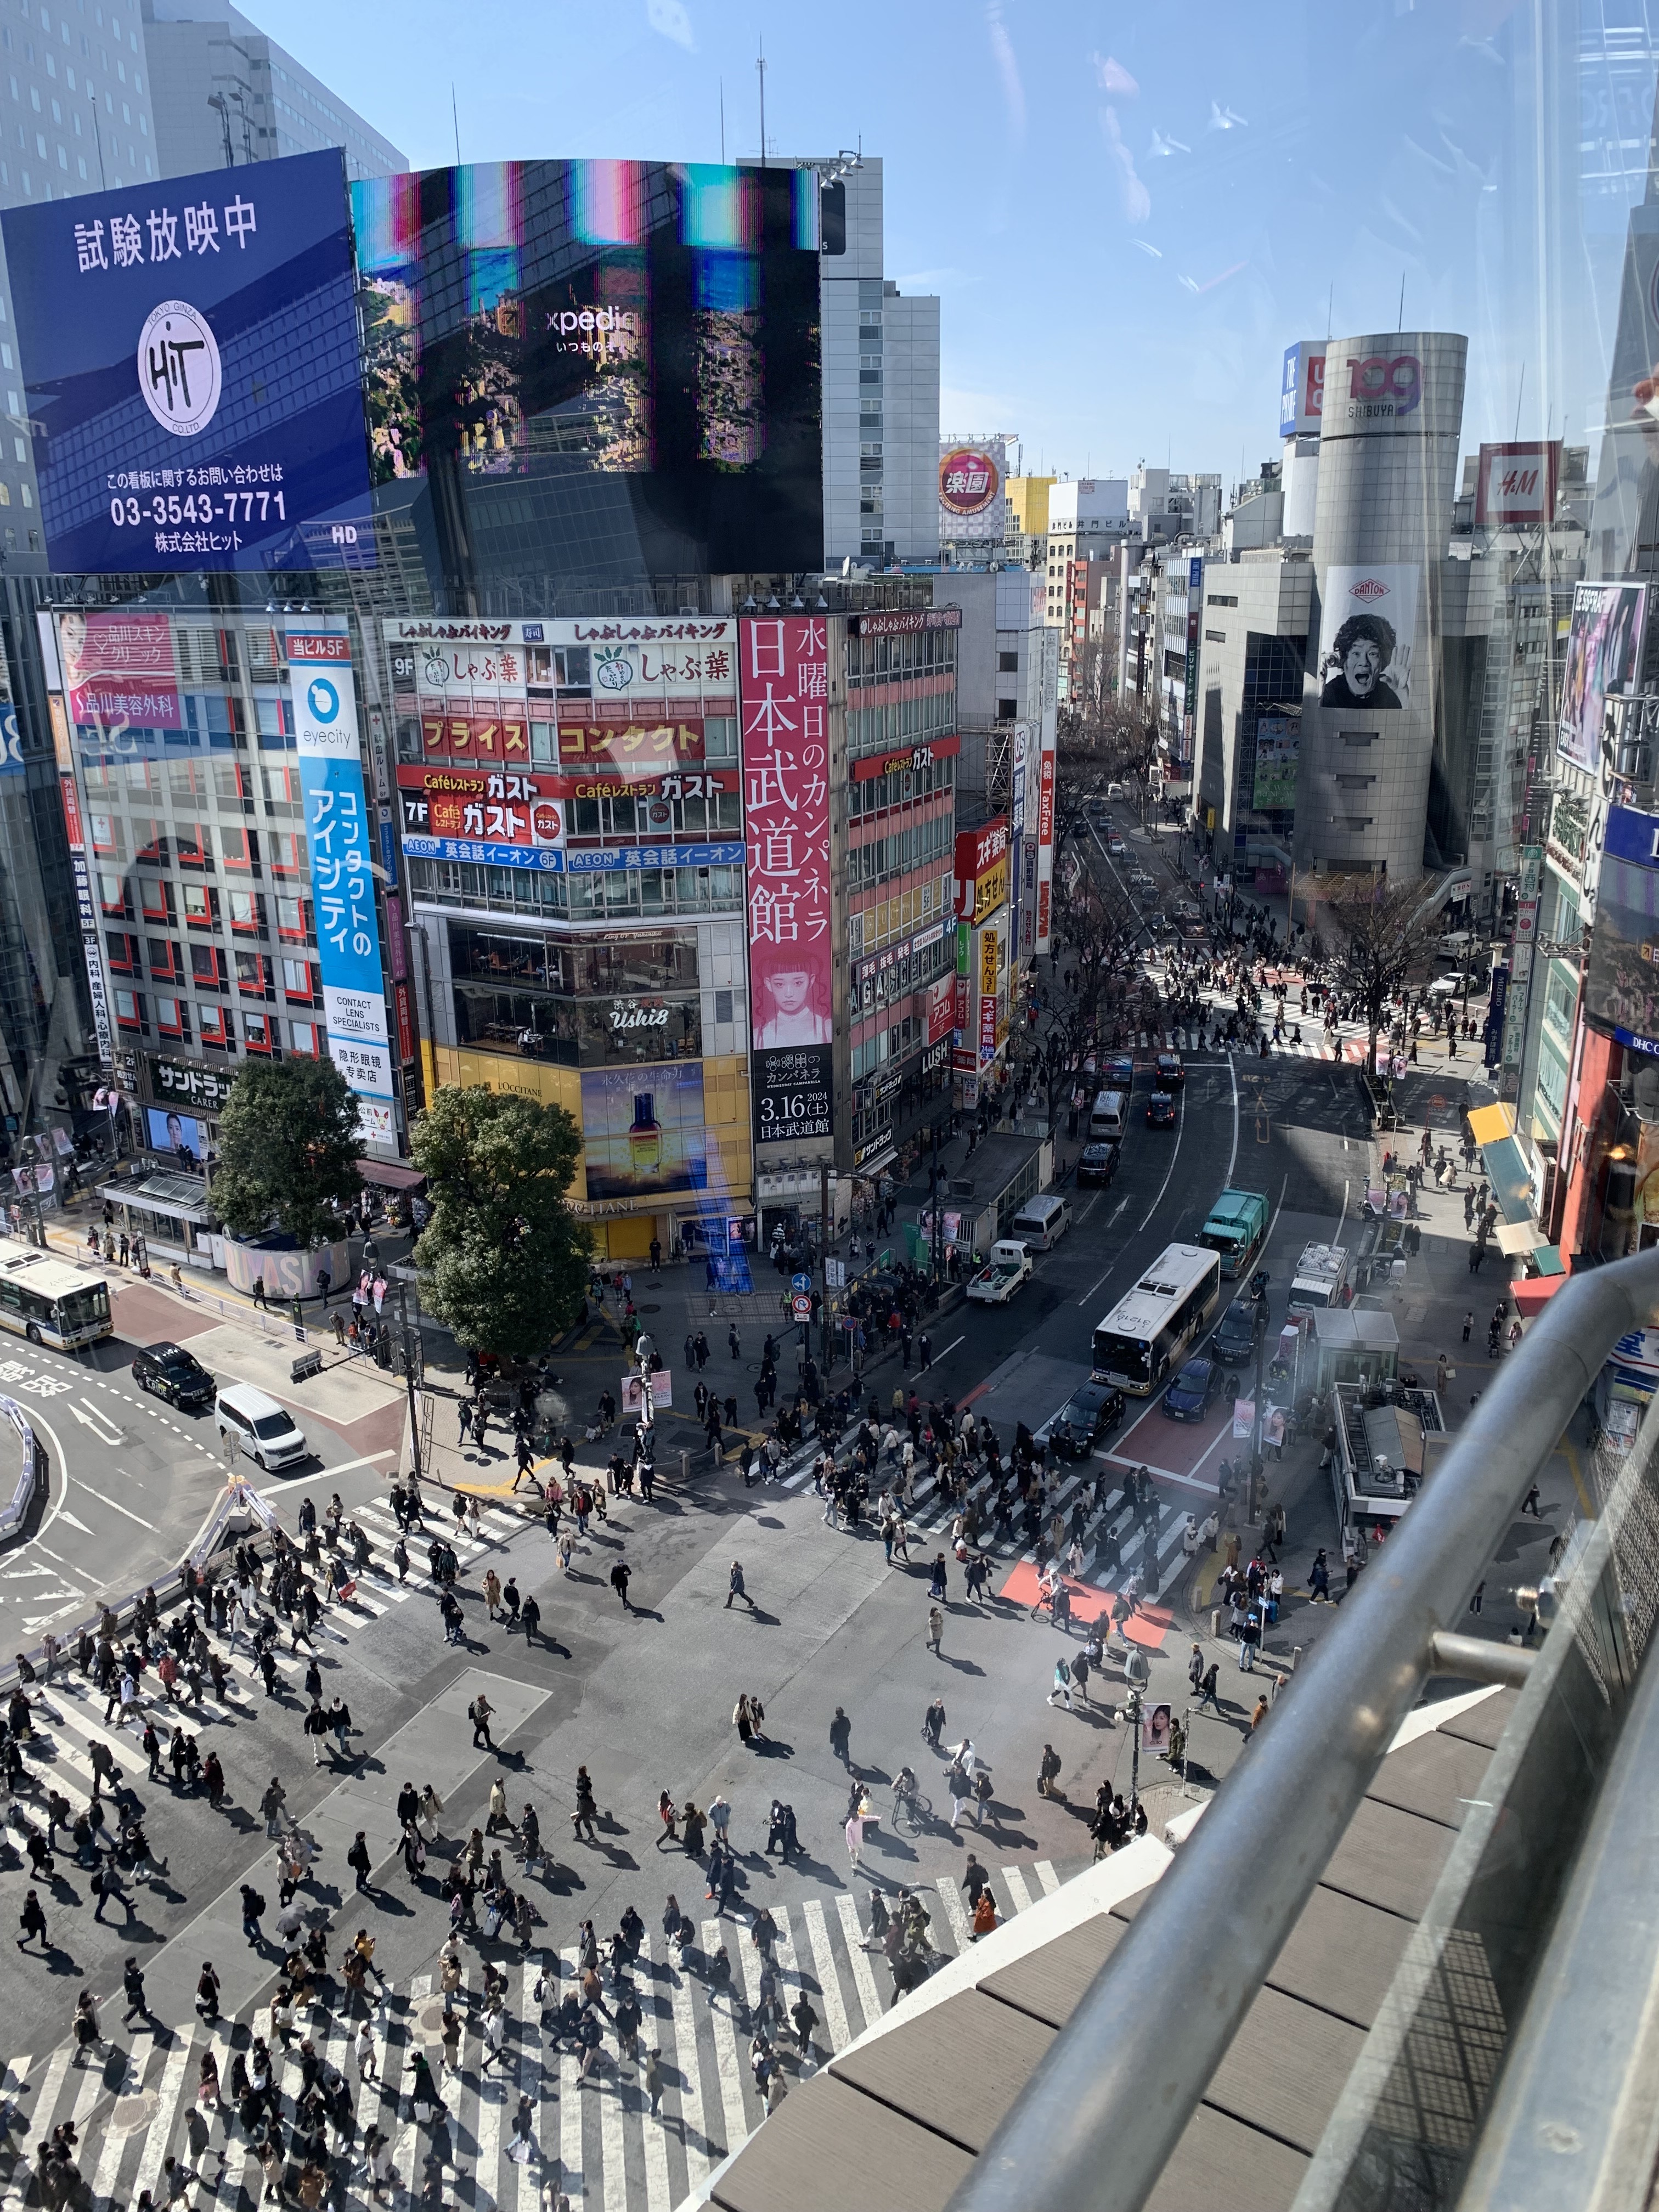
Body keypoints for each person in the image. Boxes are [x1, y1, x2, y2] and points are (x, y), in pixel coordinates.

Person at [1319, 611, 1403, 709]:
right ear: (1344, 660)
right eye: (1356, 653)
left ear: (1382, 661)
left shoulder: (1390, 693)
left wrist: (1402, 694)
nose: (1364, 662)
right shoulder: (1330, 692)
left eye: (1373, 654)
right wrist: (1318, 698)